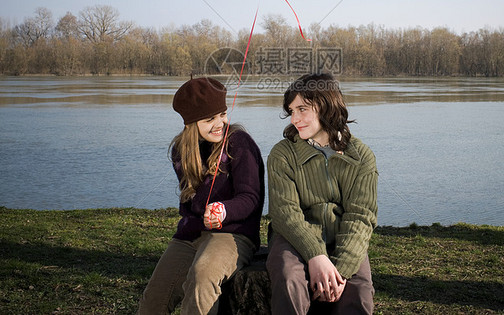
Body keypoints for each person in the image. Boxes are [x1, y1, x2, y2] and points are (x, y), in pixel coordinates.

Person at [138, 77, 265, 315]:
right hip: (191, 234)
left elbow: (250, 198)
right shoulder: (182, 150)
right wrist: (209, 178)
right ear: (191, 123)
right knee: (155, 295)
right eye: (209, 119)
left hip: (233, 234)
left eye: (222, 114)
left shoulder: (239, 143)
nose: (219, 124)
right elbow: (193, 202)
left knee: (202, 275)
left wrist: (224, 210)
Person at [266, 73, 378, 314]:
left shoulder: (361, 156)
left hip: (344, 237)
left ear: (326, 107)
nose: (294, 118)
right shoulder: (282, 154)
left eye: (302, 109)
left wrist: (341, 271)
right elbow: (284, 213)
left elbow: (361, 215)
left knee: (358, 292)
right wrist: (316, 255)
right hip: (292, 238)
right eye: (291, 111)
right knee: (289, 279)